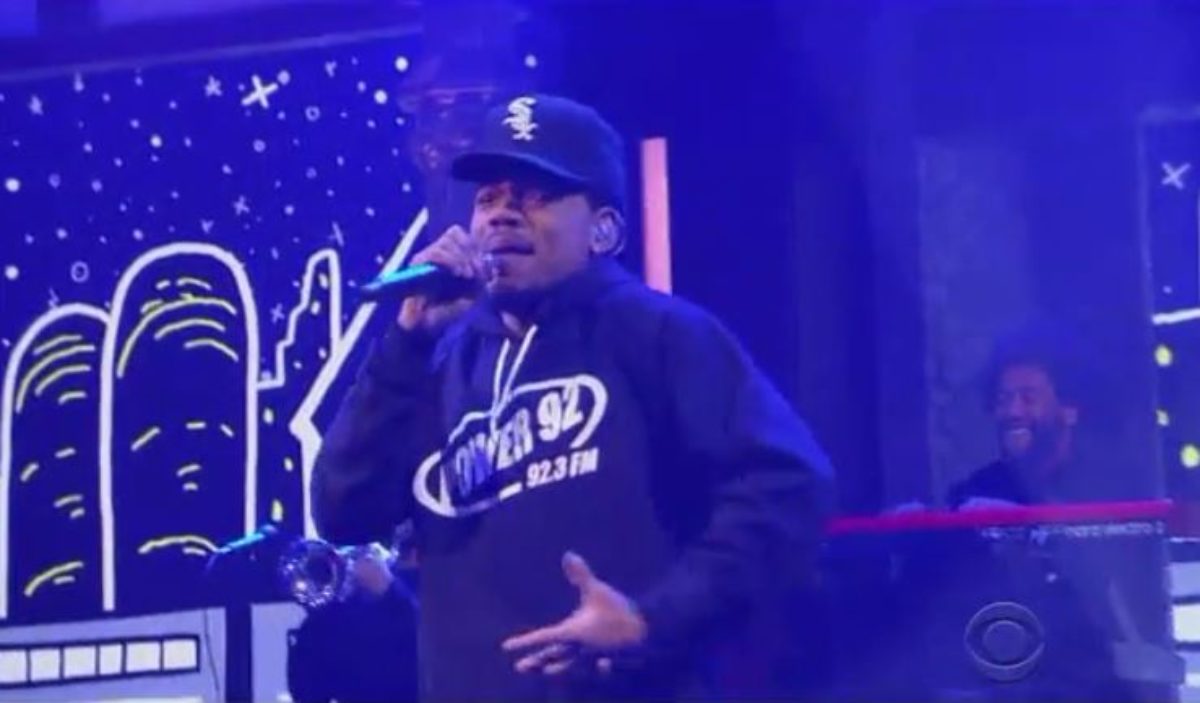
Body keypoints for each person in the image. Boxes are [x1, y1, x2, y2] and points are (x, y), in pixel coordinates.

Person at [311, 94, 834, 702]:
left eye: (534, 195)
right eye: (488, 198)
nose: (502, 216)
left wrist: (654, 619)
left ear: (603, 230)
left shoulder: (658, 333)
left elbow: (789, 487)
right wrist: (405, 346)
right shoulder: (440, 364)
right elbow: (344, 511)